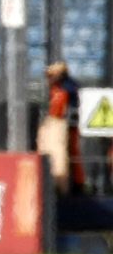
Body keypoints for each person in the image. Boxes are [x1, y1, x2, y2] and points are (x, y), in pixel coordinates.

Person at [41, 61, 85, 195]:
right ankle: (64, 183)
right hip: (60, 124)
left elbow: (60, 107)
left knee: (70, 152)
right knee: (62, 154)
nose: (49, 78)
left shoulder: (66, 88)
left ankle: (75, 184)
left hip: (67, 124)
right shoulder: (58, 87)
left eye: (52, 75)